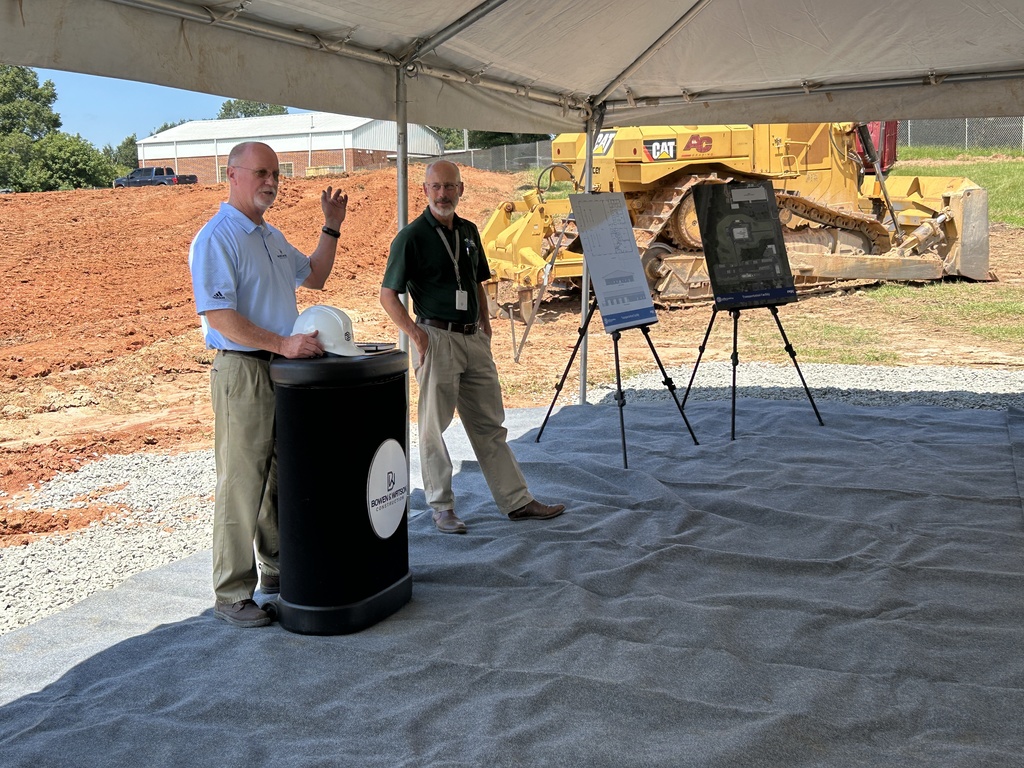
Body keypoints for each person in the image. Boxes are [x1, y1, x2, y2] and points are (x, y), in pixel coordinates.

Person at [189, 141, 349, 627]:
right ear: (231, 174)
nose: (270, 182)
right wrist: (282, 345)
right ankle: (232, 594)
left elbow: (316, 277)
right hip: (244, 368)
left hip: (281, 368)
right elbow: (220, 316)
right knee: (242, 481)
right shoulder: (217, 237)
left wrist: (331, 226)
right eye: (260, 172)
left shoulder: (270, 236)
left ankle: (277, 571)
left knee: (279, 476)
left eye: (275, 174)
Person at [380, 160, 564, 534]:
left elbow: (478, 281)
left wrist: (485, 325)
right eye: (436, 187)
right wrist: (417, 336)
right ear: (425, 190)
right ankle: (442, 507)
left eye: (450, 186)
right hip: (438, 338)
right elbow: (388, 295)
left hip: (472, 338)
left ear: (461, 190)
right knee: (434, 427)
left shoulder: (468, 230)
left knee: (490, 425)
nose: (443, 193)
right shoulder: (412, 237)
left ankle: (517, 501)